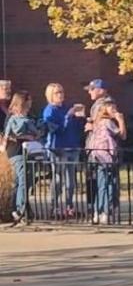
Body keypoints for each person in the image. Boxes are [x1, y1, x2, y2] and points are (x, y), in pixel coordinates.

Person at [41, 83, 86, 218]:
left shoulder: (67, 107)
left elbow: (77, 128)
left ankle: (69, 206)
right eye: (57, 93)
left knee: (71, 180)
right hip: (58, 148)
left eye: (61, 91)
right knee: (59, 178)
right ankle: (54, 206)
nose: (60, 95)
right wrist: (68, 116)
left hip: (72, 146)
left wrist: (81, 117)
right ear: (50, 95)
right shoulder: (50, 110)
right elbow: (57, 129)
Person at [2, 91, 40, 223]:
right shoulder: (12, 117)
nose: (29, 105)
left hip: (27, 150)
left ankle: (17, 209)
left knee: (20, 181)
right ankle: (20, 209)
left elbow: (36, 132)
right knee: (23, 179)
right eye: (27, 103)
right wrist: (26, 136)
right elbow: (9, 136)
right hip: (16, 151)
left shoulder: (29, 116)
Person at [88, 100, 124, 224]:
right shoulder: (108, 122)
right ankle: (105, 212)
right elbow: (122, 135)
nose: (115, 111)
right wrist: (121, 120)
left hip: (97, 155)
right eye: (112, 109)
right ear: (105, 110)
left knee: (101, 185)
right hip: (108, 157)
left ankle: (97, 211)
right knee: (109, 185)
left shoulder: (97, 123)